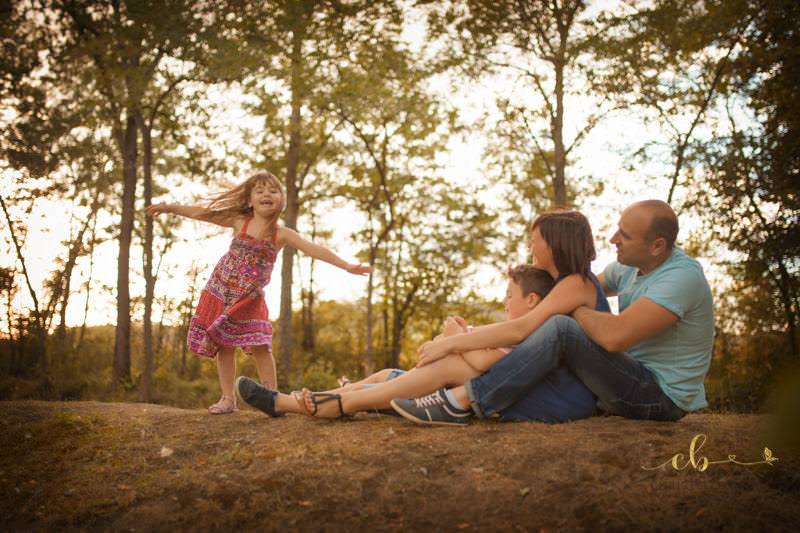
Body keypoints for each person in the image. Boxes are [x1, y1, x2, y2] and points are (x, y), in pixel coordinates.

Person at [235, 210, 609, 422]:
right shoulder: (556, 287)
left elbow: (516, 333)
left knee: (446, 366)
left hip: (554, 394)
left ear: (555, 242)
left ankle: (340, 404)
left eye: (535, 239)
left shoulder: (573, 284)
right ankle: (288, 402)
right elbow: (513, 338)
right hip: (528, 383)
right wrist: (459, 340)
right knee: (389, 376)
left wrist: (454, 342)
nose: (530, 245)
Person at [391, 200, 714, 426]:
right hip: (626, 378)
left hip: (659, 396)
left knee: (561, 326)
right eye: (617, 229)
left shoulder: (681, 279)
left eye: (624, 236)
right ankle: (427, 392)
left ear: (657, 246)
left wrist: (570, 308)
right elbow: (577, 286)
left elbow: (615, 336)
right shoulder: (629, 267)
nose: (613, 239)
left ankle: (462, 402)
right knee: (555, 323)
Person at [145, 171, 371, 414]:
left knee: (261, 344)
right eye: (260, 190)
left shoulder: (281, 234)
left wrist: (347, 266)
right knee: (223, 344)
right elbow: (202, 213)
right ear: (249, 200)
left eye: (273, 191)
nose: (267, 194)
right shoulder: (238, 220)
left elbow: (315, 249)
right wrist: (169, 207)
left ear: (281, 200)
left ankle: (273, 398)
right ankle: (228, 399)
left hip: (250, 297)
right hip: (223, 289)